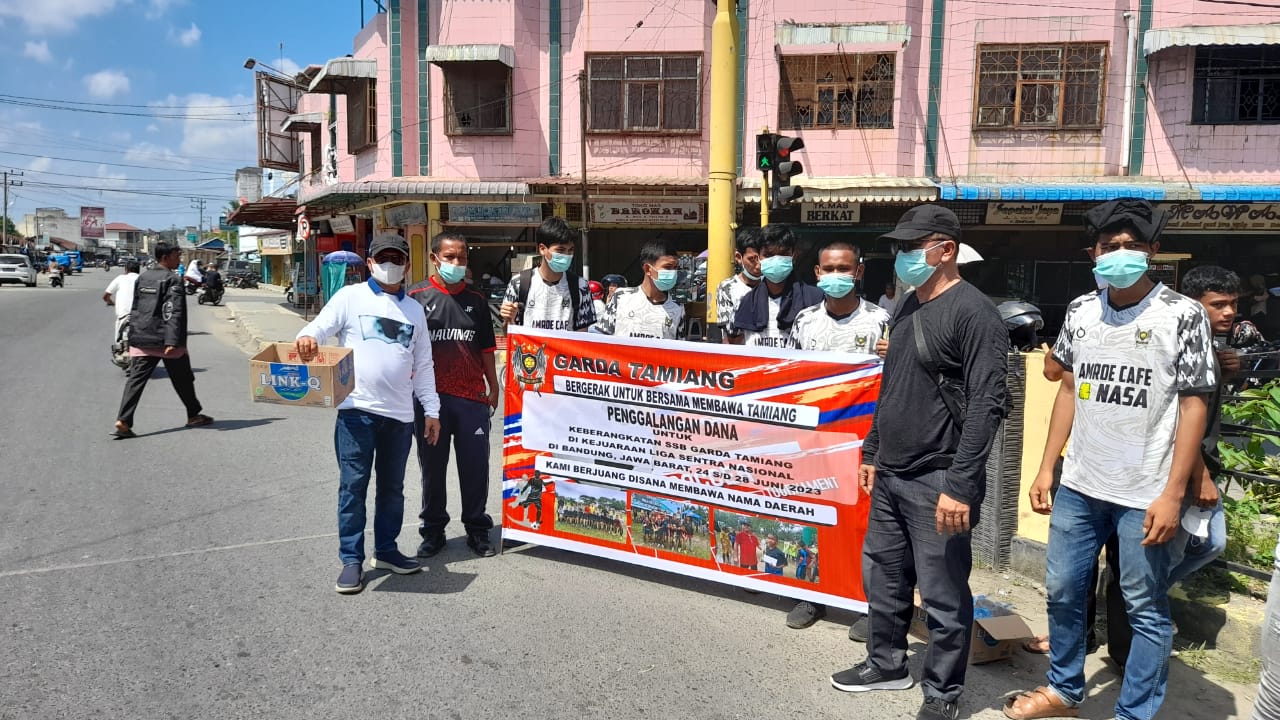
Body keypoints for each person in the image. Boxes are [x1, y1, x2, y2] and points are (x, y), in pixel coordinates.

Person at [1009, 199, 1216, 720]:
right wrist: (1046, 466)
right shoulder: (1081, 310)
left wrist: (1173, 493)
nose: (1120, 254)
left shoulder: (1182, 314)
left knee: (1144, 605)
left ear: (1152, 251)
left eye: (1132, 246)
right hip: (1081, 483)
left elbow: (1194, 404)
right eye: (1110, 247)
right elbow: (1068, 388)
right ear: (1093, 254)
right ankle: (1064, 690)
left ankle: (1134, 712)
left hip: (1146, 491)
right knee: (1062, 591)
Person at [831, 205, 1007, 720]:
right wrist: (872, 451)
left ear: (945, 250)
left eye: (911, 247)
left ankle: (943, 693)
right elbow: (892, 386)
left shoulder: (974, 313)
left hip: (939, 476)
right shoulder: (909, 304)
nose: (902, 256)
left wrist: (961, 484)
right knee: (884, 576)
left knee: (943, 593)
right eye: (899, 247)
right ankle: (886, 664)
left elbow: (987, 404)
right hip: (891, 472)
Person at [295, 233, 442, 594]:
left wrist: (432, 410)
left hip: (400, 417)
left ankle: (387, 550)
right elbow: (320, 327)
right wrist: (308, 336)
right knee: (353, 487)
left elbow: (424, 365)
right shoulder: (350, 297)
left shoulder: (414, 311)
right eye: (383, 258)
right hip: (356, 412)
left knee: (392, 489)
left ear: (407, 264)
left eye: (397, 258)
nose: (390, 264)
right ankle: (351, 559)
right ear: (371, 262)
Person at [786, 241, 890, 633]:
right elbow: (792, 377)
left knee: (864, 520)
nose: (836, 276)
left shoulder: (881, 321)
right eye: (828, 269)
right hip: (816, 440)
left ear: (858, 272)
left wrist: (894, 354)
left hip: (866, 441)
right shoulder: (805, 321)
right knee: (814, 517)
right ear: (817, 273)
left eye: (844, 269)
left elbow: (896, 380)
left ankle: (866, 603)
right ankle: (812, 595)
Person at [406, 231, 501, 559]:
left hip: (471, 399)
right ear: (435, 258)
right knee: (432, 469)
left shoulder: (477, 299)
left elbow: (486, 349)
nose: (457, 263)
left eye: (462, 257)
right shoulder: (416, 297)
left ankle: (477, 529)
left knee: (475, 468)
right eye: (450, 257)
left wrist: (494, 385)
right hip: (430, 402)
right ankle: (433, 531)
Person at [112, 243, 213, 439]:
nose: (179, 260)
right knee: (183, 379)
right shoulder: (173, 279)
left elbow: (136, 309)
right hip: (166, 341)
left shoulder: (143, 277)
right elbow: (174, 311)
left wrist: (134, 336)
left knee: (136, 381)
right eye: (176, 256)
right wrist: (172, 341)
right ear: (165, 257)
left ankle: (123, 420)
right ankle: (193, 415)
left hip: (143, 338)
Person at [731, 224, 823, 348]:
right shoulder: (747, 302)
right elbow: (734, 345)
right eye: (768, 255)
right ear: (758, 258)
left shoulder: (815, 299)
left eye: (783, 254)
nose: (776, 260)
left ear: (793, 255)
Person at [499, 217, 595, 332]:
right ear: (542, 249)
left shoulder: (580, 286)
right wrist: (508, 319)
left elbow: (582, 336)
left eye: (570, 250)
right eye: (560, 250)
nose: (567, 255)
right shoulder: (518, 283)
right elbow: (508, 332)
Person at [594, 241, 684, 339]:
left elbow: (679, 346)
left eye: (675, 268)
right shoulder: (621, 298)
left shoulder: (677, 307)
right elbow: (602, 340)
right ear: (647, 269)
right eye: (668, 267)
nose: (673, 272)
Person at [716, 227, 762, 343]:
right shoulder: (727, 288)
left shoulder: (773, 285)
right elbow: (731, 333)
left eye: (761, 259)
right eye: (752, 259)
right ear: (738, 257)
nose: (758, 265)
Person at [103, 260, 140, 343]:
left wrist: (111, 303)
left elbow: (106, 296)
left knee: (119, 344)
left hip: (123, 317)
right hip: (139, 317)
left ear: (126, 270)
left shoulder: (120, 278)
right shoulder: (142, 279)